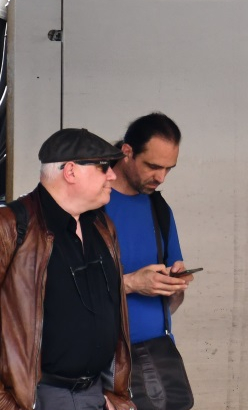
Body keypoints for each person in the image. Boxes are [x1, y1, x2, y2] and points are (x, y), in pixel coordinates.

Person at [0, 128, 134, 410]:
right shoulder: (11, 226)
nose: (112, 175)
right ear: (71, 171)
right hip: (39, 397)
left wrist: (115, 394)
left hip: (96, 393)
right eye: (103, 167)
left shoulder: (103, 227)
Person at [102, 113, 194, 409]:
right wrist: (129, 283)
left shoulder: (159, 209)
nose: (161, 178)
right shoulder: (90, 205)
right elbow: (55, 289)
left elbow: (169, 307)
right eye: (153, 166)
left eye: (169, 169)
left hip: (155, 357)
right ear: (127, 152)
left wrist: (173, 288)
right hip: (99, 363)